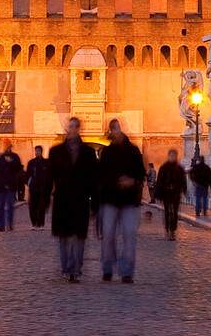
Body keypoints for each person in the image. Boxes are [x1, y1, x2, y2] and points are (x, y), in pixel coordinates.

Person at [96, 118, 146, 283]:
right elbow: (101, 176)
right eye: (112, 129)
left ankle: (126, 272)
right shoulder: (107, 152)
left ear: (121, 130)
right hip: (110, 199)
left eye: (116, 128)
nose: (114, 132)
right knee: (108, 235)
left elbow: (141, 173)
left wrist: (131, 181)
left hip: (129, 200)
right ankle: (108, 268)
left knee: (129, 235)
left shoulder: (133, 150)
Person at [48, 117, 98, 282]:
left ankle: (75, 269)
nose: (74, 129)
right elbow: (50, 177)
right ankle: (66, 268)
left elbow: (93, 179)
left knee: (78, 236)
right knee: (64, 236)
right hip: (62, 199)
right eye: (71, 126)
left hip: (81, 199)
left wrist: (94, 204)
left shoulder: (89, 153)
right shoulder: (56, 152)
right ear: (67, 128)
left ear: (79, 129)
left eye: (76, 126)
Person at [0, 140, 26, 231]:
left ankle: (10, 224)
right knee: (0, 207)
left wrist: (11, 162)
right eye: (6, 145)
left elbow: (19, 169)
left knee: (10, 206)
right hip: (0, 186)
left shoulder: (15, 157)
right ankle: (1, 226)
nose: (7, 147)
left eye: (8, 146)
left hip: (11, 186)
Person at [154, 148, 188, 239]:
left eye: (174, 156)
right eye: (171, 155)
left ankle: (173, 230)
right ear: (168, 156)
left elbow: (183, 180)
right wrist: (158, 194)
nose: (173, 157)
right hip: (166, 193)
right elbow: (159, 181)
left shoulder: (179, 168)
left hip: (176, 193)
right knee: (167, 212)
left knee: (175, 212)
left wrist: (184, 190)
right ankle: (167, 229)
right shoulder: (163, 167)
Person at [24, 144, 52, 227]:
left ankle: (41, 223)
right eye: (36, 151)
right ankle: (34, 223)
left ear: (41, 152)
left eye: (38, 151)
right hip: (33, 187)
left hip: (43, 188)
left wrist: (49, 187)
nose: (37, 152)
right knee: (33, 206)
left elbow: (49, 176)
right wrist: (28, 184)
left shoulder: (46, 163)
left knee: (41, 207)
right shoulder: (31, 163)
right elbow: (27, 175)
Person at [189, 153, 211, 218]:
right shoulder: (207, 167)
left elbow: (191, 173)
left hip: (198, 184)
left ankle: (197, 211)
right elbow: (210, 176)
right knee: (205, 198)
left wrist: (193, 180)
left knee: (198, 198)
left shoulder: (196, 167)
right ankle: (205, 210)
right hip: (205, 185)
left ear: (199, 160)